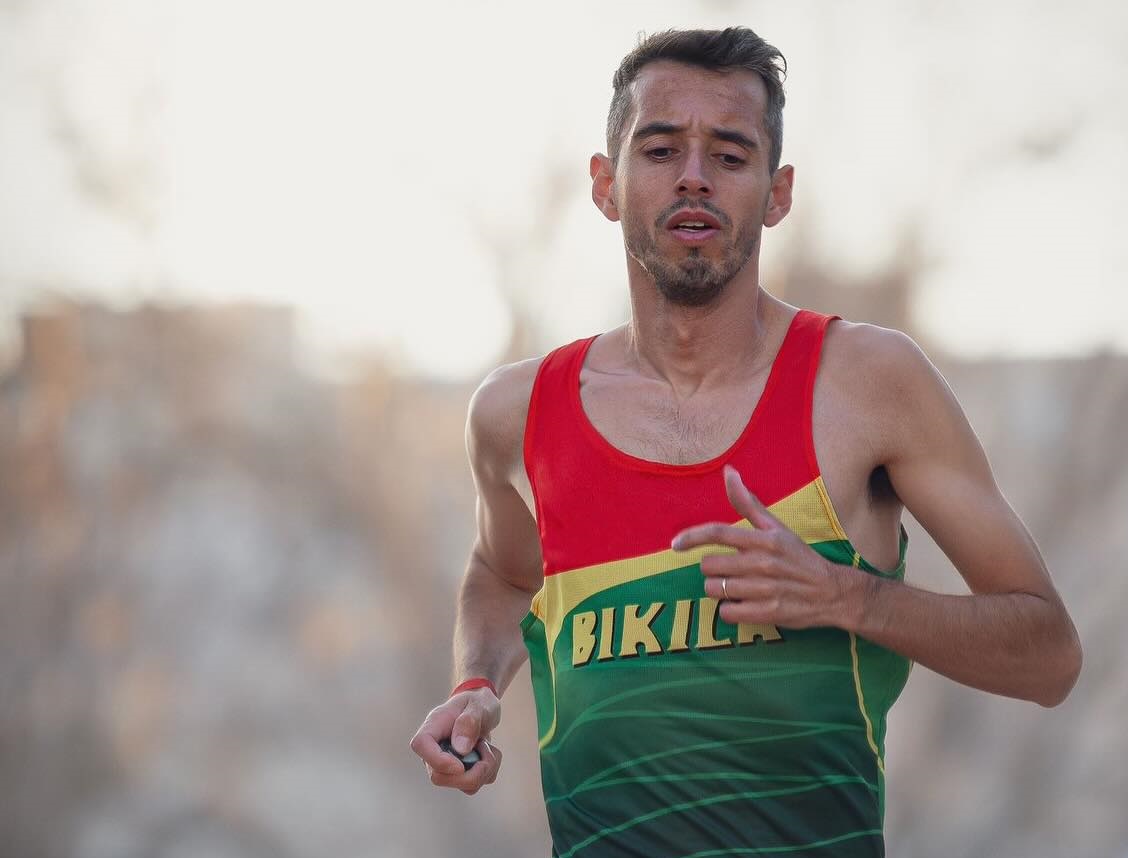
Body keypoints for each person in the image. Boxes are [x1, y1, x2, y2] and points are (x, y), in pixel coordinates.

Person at [410, 26, 1082, 856]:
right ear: (605, 183)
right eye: (660, 150)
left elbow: (1049, 657)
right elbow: (504, 575)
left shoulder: (869, 382)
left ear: (777, 192)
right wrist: (477, 684)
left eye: (730, 155)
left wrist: (849, 599)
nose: (694, 177)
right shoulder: (517, 412)